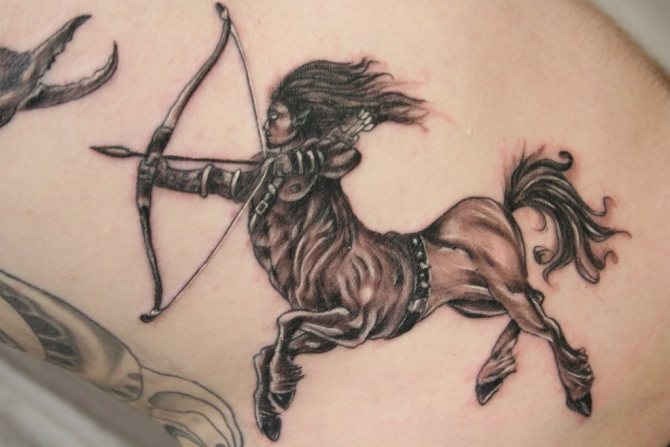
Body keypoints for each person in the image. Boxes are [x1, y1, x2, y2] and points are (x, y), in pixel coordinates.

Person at [0, 1, 668, 446]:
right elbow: (216, 178)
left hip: (561, 370)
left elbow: (340, 157)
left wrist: (309, 156)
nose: (269, 123)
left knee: (514, 305)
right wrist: (154, 170)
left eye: (279, 117)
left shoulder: (319, 159)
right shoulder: (269, 173)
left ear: (302, 121)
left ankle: (567, 358)